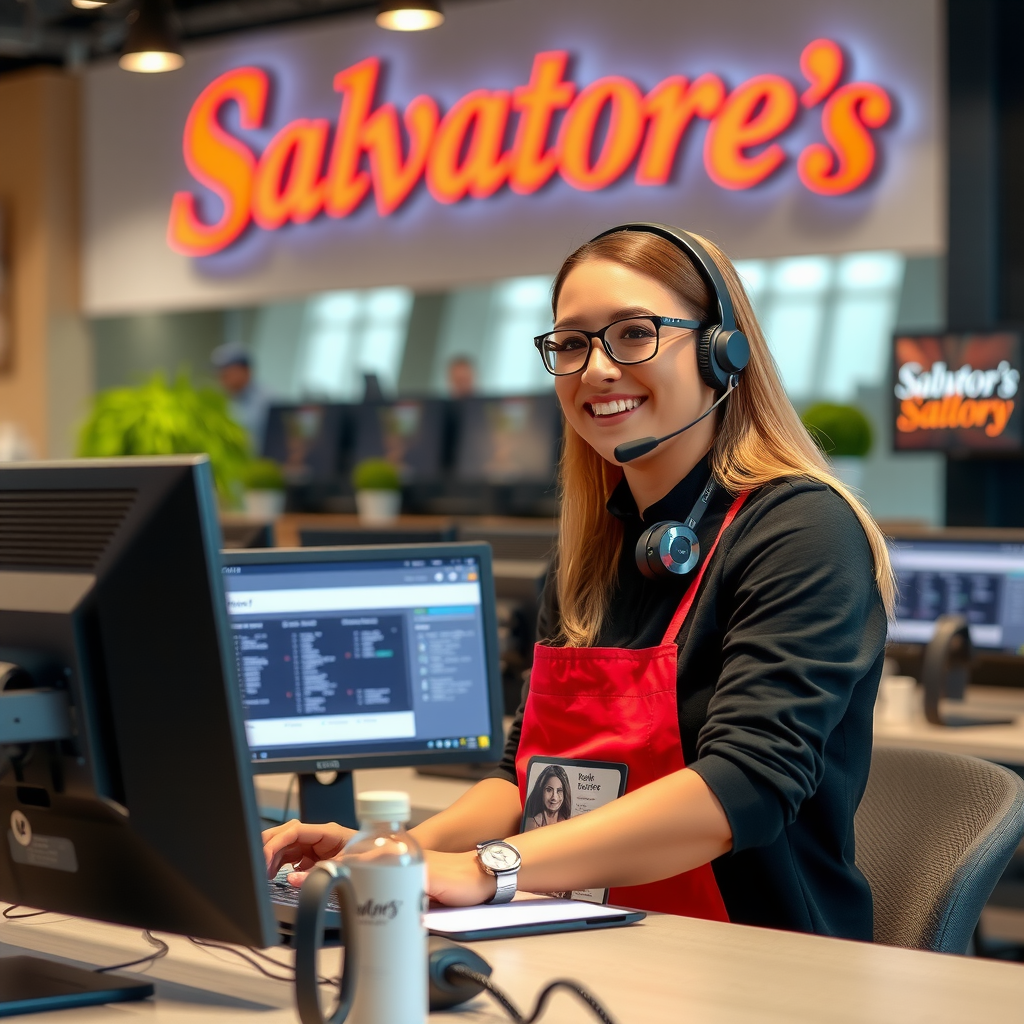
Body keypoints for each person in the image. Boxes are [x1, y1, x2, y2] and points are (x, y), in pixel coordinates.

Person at [263, 223, 892, 939]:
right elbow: (519, 778)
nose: (596, 369)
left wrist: (484, 868)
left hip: (756, 959)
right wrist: (403, 854)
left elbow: (744, 788)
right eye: (571, 344)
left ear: (723, 352)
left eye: (633, 334)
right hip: (586, 932)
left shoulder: (801, 528)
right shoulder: (589, 554)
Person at [211, 342, 270, 452]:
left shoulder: (268, 401)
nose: (221, 375)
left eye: (227, 370)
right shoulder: (219, 400)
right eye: (219, 370)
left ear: (246, 371)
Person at [523, 765, 572, 831]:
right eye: (549, 790)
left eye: (559, 791)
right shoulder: (532, 824)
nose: (554, 797)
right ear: (541, 791)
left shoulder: (568, 822)